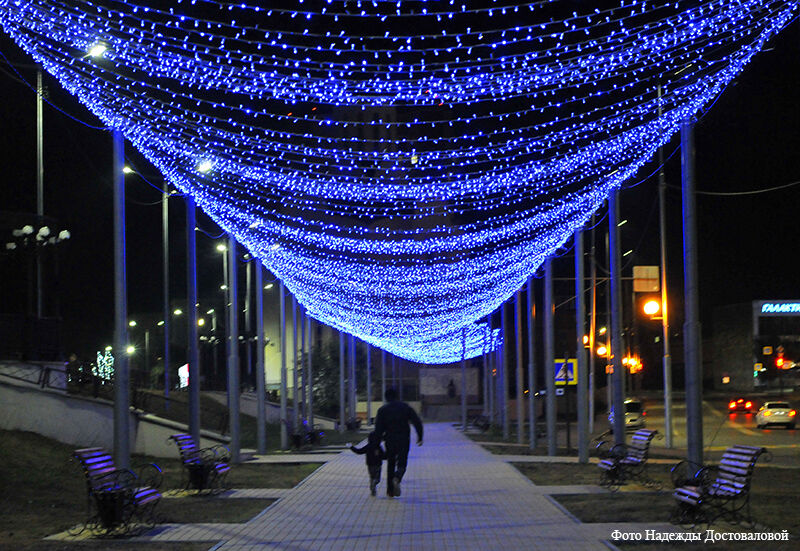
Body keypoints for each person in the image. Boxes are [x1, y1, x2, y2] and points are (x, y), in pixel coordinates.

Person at [373, 387, 423, 497]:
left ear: (386, 398)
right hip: (404, 439)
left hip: (390, 439)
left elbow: (378, 430)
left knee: (390, 463)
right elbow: (417, 421)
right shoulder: (405, 407)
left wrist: (376, 445)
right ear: (396, 396)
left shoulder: (382, 410)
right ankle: (398, 476)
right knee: (402, 461)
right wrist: (420, 436)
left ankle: (390, 491)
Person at [349, 431, 386, 496]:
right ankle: (375, 483)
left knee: (372, 476)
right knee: (377, 478)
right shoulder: (379, 447)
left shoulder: (368, 446)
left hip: (370, 464)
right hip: (378, 464)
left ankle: (372, 490)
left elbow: (359, 451)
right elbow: (384, 456)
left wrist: (351, 447)